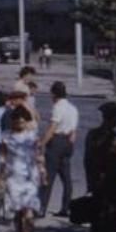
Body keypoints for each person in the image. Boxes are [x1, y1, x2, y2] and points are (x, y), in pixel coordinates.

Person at [84, 102, 116, 232]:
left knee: (97, 216)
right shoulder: (115, 138)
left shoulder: (91, 134)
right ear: (113, 118)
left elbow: (87, 160)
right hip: (112, 183)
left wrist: (90, 180)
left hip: (96, 181)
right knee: (111, 217)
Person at [2, 105, 43, 232]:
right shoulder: (6, 136)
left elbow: (38, 154)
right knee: (18, 211)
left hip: (30, 176)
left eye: (22, 122)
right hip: (13, 177)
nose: (20, 124)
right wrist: (0, 180)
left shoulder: (32, 136)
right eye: (17, 122)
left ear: (26, 122)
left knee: (29, 209)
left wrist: (42, 170)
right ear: (12, 122)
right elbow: (3, 158)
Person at [39, 81, 79, 217]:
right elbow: (74, 131)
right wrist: (70, 146)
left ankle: (41, 207)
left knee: (48, 176)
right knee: (66, 178)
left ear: (54, 94)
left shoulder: (58, 107)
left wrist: (43, 143)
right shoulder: (73, 108)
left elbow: (52, 128)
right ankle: (65, 207)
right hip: (67, 142)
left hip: (56, 142)